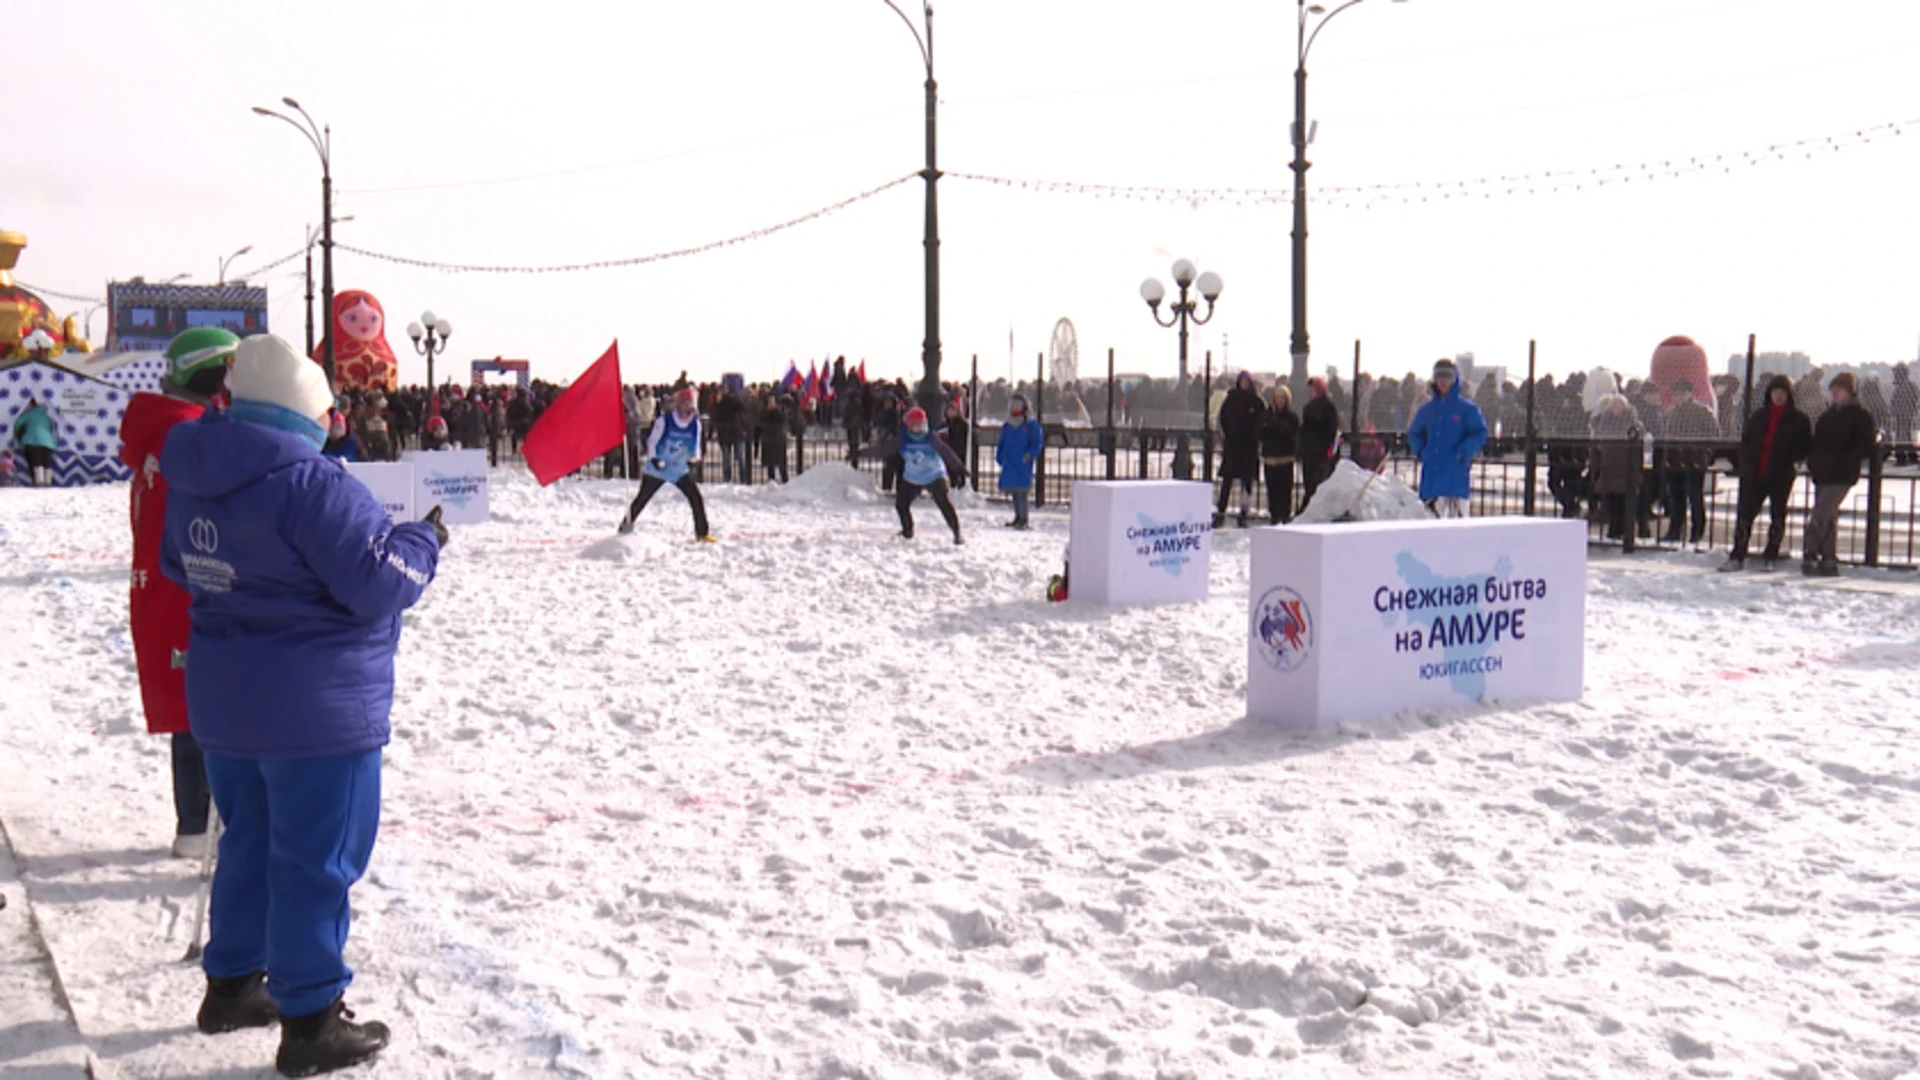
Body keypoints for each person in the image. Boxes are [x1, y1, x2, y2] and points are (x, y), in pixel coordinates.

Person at [159, 333, 442, 1075]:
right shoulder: (312, 484)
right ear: (304, 410)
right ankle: (312, 1020)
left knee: (248, 841)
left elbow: (176, 563)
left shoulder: (192, 472)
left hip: (225, 700)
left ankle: (230, 986)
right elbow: (378, 582)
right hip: (316, 709)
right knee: (316, 859)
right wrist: (423, 539)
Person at [119, 327, 238, 858]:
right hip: (192, 585)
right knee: (211, 706)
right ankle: (207, 821)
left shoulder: (163, 430)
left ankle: (194, 821)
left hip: (161, 588)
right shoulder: (193, 436)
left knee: (191, 709)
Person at [1721, 375, 1812, 572]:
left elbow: (1804, 446)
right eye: (1775, 392)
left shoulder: (1798, 420)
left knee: (1777, 515)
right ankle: (1738, 554)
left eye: (1782, 393)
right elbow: (1747, 442)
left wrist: (1790, 458)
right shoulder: (1759, 417)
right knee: (1745, 514)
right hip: (1755, 473)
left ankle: (1770, 555)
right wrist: (1745, 464)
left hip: (1781, 474)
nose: (1778, 396)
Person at [1801, 372, 1878, 576]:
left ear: (1850, 391)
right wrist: (1815, 463)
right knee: (1828, 515)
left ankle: (1810, 551)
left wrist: (1847, 460)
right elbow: (1816, 443)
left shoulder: (1860, 416)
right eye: (1833, 388)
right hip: (1823, 472)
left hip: (1842, 473)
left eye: (1840, 389)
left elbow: (1864, 445)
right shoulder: (1827, 416)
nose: (1835, 392)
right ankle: (1828, 558)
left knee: (1821, 512)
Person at [620, 388, 714, 541]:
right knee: (642, 499)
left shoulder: (695, 424)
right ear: (678, 404)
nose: (687, 406)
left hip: (679, 470)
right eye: (684, 403)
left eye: (690, 403)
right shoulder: (665, 420)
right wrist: (654, 458)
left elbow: (695, 445)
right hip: (658, 469)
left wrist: (694, 459)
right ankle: (624, 528)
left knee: (695, 498)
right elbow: (652, 441)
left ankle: (702, 533)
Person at [868, 407, 966, 544]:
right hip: (913, 477)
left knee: (944, 503)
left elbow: (946, 452)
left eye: (921, 424)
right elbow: (884, 450)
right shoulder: (903, 439)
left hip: (935, 475)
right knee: (901, 504)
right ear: (908, 425)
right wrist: (861, 453)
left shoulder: (931, 437)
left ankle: (957, 533)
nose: (918, 427)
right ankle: (908, 531)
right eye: (914, 424)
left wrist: (959, 467)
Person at [1406, 359, 1490, 518]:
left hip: (1455, 479)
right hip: (1431, 480)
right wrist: (1422, 452)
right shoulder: (1427, 410)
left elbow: (1480, 432)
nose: (1443, 382)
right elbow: (1414, 433)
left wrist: (1465, 451)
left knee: (1456, 529)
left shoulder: (1467, 409)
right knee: (1430, 526)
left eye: (1448, 377)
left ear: (1455, 379)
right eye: (1440, 377)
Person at [1658, 379, 1719, 547]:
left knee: (1695, 497)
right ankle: (1675, 531)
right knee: (1676, 498)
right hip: (1674, 460)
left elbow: (1714, 435)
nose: (1679, 397)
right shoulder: (1670, 413)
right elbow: (1664, 434)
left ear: (1690, 394)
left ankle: (1697, 532)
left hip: (1694, 460)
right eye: (1677, 394)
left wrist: (1705, 455)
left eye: (1682, 393)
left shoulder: (1702, 412)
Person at [1214, 373, 1267, 528]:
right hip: (1232, 446)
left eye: (1246, 382)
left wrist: (1254, 437)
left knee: (1247, 482)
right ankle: (1220, 512)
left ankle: (1243, 513)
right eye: (1241, 382)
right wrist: (1227, 436)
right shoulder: (1231, 399)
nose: (1244, 384)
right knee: (1227, 481)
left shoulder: (1257, 402)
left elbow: (1262, 422)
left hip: (1249, 448)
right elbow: (1222, 419)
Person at [1589, 392, 1641, 541]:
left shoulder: (1632, 423)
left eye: (1619, 405)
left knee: (1624, 500)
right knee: (1610, 500)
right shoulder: (1604, 422)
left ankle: (1623, 530)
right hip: (1609, 465)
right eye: (1614, 405)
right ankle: (1614, 528)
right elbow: (1597, 443)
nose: (1616, 408)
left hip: (1626, 467)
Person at [995, 395, 1043, 529]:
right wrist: (1000, 456)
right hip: (1010, 461)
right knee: (1015, 491)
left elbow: (1037, 443)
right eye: (1012, 405)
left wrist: (1029, 454)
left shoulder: (1030, 424)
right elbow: (1002, 442)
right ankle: (1018, 517)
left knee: (1022, 492)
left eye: (1017, 405)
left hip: (1022, 462)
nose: (1014, 408)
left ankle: (1024, 518)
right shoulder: (1008, 425)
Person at [1259, 386, 1301, 524]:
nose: (1279, 400)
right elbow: (1260, 433)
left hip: (1285, 458)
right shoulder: (1267, 415)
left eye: (1282, 398)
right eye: (1277, 397)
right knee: (1272, 489)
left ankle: (1284, 515)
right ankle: (1274, 515)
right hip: (1270, 458)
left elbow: (1292, 434)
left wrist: (1277, 425)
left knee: (1284, 489)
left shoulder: (1291, 416)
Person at [1298, 377, 1340, 510]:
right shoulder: (1308, 407)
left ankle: (1310, 508)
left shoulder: (1328, 408)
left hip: (1321, 452)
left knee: (1317, 483)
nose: (1310, 392)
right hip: (1309, 452)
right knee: (1309, 481)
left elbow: (1331, 430)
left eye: (1313, 390)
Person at [10, 395, 58, 487]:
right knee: (45, 462)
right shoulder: (46, 416)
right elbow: (51, 428)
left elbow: (17, 424)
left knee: (35, 462)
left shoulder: (28, 414)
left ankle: (38, 482)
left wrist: (18, 436)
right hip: (47, 442)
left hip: (31, 440)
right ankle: (47, 481)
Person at [711, 388, 748, 484]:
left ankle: (727, 478)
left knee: (726, 458)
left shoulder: (720, 405)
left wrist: (717, 403)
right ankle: (743, 478)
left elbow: (714, 417)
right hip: (737, 432)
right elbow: (744, 411)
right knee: (740, 457)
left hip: (725, 433)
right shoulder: (736, 403)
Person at [758, 392, 790, 484]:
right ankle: (771, 482)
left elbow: (783, 419)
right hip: (768, 438)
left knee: (781, 463)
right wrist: (768, 411)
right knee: (770, 463)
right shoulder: (764, 411)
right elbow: (761, 421)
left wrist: (776, 410)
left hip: (778, 438)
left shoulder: (781, 409)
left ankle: (785, 481)